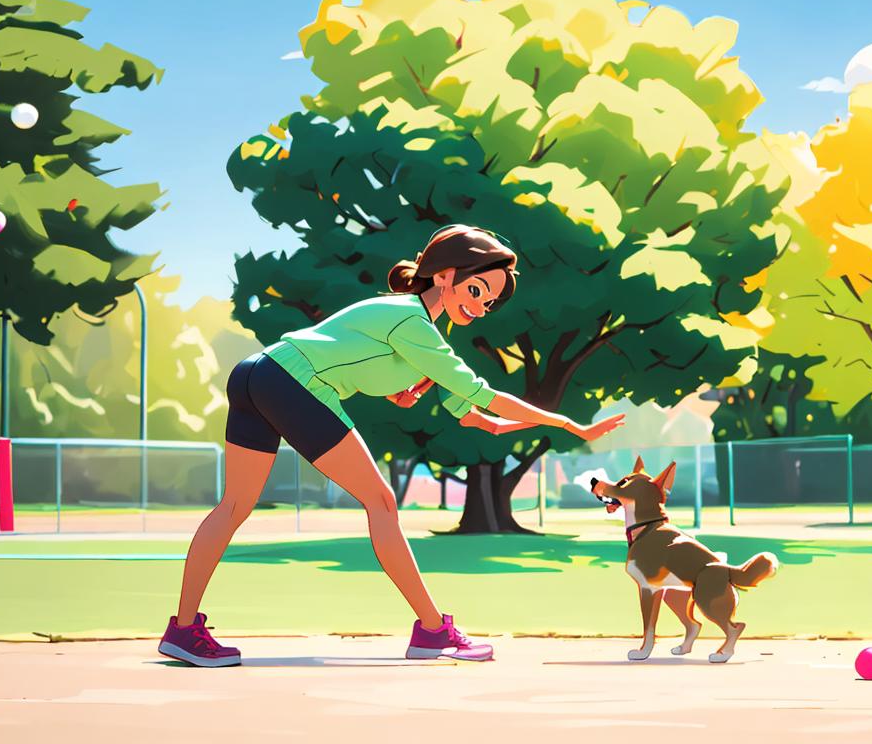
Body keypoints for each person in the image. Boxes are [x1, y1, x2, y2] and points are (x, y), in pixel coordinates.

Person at [158, 224, 625, 666]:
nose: (482, 307)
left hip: (256, 373)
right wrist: (566, 423)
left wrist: (511, 424)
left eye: (491, 301)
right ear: (444, 275)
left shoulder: (418, 331)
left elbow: (478, 418)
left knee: (234, 504)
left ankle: (181, 631)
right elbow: (483, 394)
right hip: (292, 380)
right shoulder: (414, 322)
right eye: (478, 290)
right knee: (381, 502)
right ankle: (432, 630)